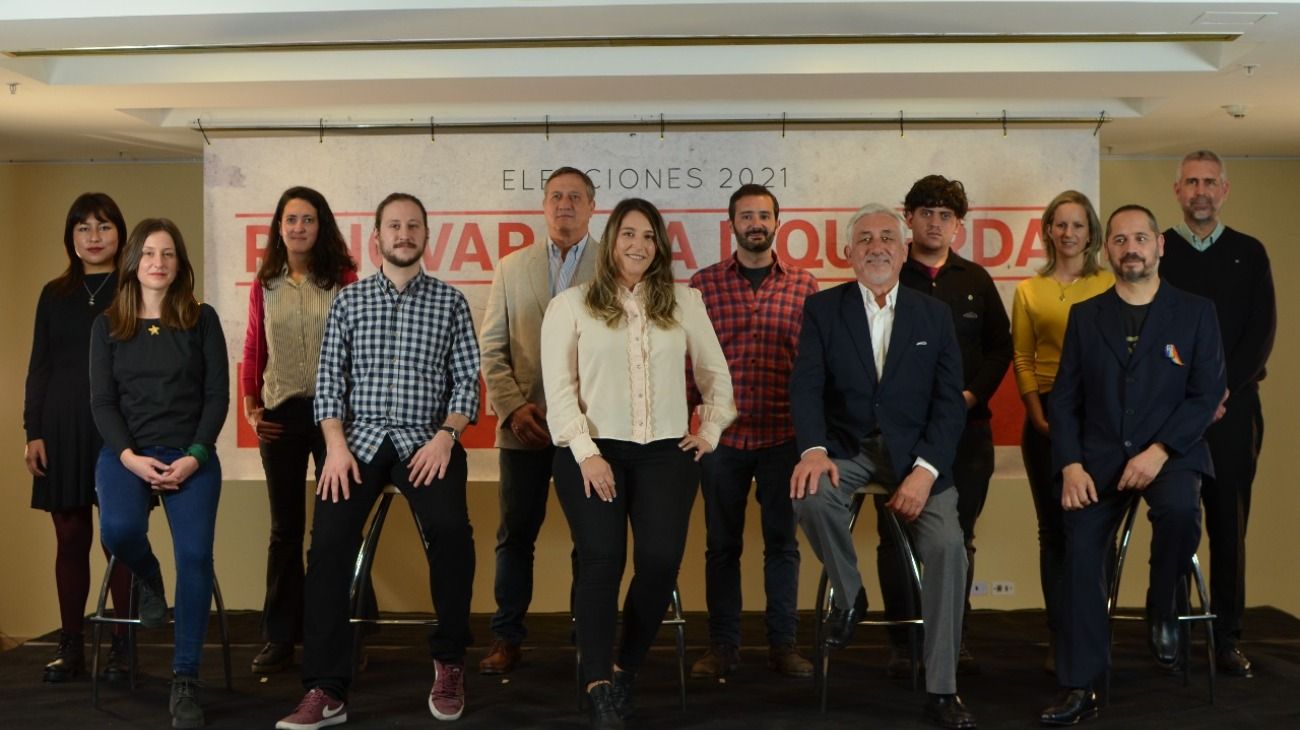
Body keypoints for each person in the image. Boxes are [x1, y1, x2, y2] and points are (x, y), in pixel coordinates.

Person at [277, 193, 480, 730]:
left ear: (425, 237)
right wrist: (335, 448)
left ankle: (450, 661)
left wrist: (445, 437)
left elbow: (466, 384)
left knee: (452, 530)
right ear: (377, 239)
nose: (404, 234)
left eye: (414, 226)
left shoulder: (451, 303)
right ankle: (326, 687)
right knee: (327, 547)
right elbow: (329, 385)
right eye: (394, 226)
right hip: (357, 445)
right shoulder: (349, 302)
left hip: (426, 443)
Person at [541, 197, 735, 729]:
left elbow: (717, 375)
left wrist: (710, 430)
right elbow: (559, 392)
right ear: (610, 241)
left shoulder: (685, 302)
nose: (638, 245)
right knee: (601, 561)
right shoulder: (572, 305)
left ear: (660, 246)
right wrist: (588, 453)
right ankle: (599, 682)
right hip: (591, 454)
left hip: (666, 455)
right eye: (628, 234)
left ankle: (625, 666)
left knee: (658, 563)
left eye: (649, 236)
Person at [790, 203, 973, 729]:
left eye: (887, 237)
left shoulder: (932, 314)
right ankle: (852, 596)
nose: (877, 246)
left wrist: (926, 470)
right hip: (846, 448)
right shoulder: (822, 310)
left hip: (917, 456)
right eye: (865, 238)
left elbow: (948, 403)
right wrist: (814, 450)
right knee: (807, 493)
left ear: (904, 248)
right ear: (848, 253)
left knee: (946, 548)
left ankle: (942, 690)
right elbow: (805, 386)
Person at [1040, 205, 1224, 726]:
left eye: (1140, 238)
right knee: (1078, 548)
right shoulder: (1086, 314)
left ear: (1160, 244)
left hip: (1171, 452)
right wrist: (1071, 464)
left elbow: (1205, 392)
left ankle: (1163, 603)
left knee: (1180, 515)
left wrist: (1160, 451)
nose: (1130, 249)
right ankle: (1080, 685)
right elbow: (1065, 399)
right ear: (1107, 252)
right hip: (1096, 457)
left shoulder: (1195, 312)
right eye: (1119, 241)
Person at [90, 218, 229, 729]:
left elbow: (217, 397)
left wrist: (194, 455)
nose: (158, 262)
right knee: (120, 530)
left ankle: (185, 678)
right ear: (133, 262)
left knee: (194, 555)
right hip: (126, 453)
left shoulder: (202, 319)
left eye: (168, 253)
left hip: (189, 453)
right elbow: (102, 403)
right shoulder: (107, 325)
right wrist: (129, 457)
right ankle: (149, 579)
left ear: (180, 264)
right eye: (149, 252)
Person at [687, 184, 818, 680]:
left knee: (782, 545)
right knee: (721, 547)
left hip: (785, 438)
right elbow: (689, 363)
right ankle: (722, 646)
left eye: (764, 215)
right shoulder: (702, 286)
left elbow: (814, 367)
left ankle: (783, 645)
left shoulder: (805, 286)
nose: (756, 223)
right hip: (721, 441)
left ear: (777, 223)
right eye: (747, 216)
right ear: (732, 224)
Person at [886, 175, 1012, 676]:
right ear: (908, 218)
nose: (935, 223)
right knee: (895, 536)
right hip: (903, 434)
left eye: (946, 215)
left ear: (958, 226)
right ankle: (901, 643)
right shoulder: (890, 275)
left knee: (959, 536)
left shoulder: (976, 280)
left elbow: (1000, 349)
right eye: (926, 212)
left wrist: (966, 396)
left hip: (966, 431)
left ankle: (953, 638)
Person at [1160, 150, 1275, 677]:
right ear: (1177, 190)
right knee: (1175, 524)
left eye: (1210, 182)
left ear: (1224, 191)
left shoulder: (1250, 253)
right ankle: (1173, 632)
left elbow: (1260, 335)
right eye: (1191, 182)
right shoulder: (1160, 251)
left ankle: (1226, 637)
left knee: (1229, 528)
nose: (1201, 190)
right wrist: (1189, 399)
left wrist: (1218, 393)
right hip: (1171, 415)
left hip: (1233, 411)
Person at [478, 166, 598, 674]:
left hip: (588, 433)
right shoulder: (511, 266)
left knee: (591, 538)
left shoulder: (613, 265)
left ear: (593, 207)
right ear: (543, 206)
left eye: (575, 197)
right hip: (523, 427)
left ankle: (585, 638)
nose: (564, 205)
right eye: (555, 196)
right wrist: (511, 406)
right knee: (515, 535)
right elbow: (491, 346)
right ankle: (507, 637)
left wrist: (586, 416)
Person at [241, 186, 359, 674]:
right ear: (279, 227)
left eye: (308, 219)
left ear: (321, 225)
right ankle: (279, 636)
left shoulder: (345, 279)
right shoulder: (264, 283)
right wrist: (250, 404)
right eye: (291, 219)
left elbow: (362, 347)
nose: (298, 228)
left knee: (331, 532)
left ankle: (332, 634)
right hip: (282, 415)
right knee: (284, 530)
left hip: (336, 418)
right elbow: (253, 346)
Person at [24, 193, 134, 683]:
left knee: (120, 539)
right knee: (70, 537)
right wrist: (34, 432)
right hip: (62, 425)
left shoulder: (135, 288)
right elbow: (39, 366)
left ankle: (123, 647)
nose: (94, 236)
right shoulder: (54, 293)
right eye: (83, 228)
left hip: (118, 428)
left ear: (120, 233)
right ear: (71, 237)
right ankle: (71, 645)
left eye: (104, 226)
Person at [1011, 191, 1114, 671]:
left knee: (1094, 531)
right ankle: (1059, 636)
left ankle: (1093, 632)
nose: (1068, 233)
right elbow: (1023, 357)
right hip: (1048, 414)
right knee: (1053, 531)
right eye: (1059, 224)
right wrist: (1036, 413)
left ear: (1091, 233)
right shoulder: (1030, 291)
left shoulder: (1112, 284)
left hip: (1101, 415)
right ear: (1048, 231)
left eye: (1077, 225)